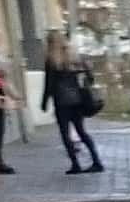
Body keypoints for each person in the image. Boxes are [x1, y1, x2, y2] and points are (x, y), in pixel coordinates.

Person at [38, 38, 102, 174]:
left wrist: (44, 103)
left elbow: (49, 84)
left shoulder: (52, 62)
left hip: (62, 102)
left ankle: (75, 164)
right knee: (81, 131)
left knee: (65, 134)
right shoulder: (77, 61)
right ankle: (97, 161)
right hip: (78, 101)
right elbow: (90, 79)